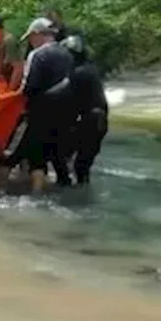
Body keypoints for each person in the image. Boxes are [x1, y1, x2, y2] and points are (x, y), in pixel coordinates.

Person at [16, 18, 77, 193]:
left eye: (30, 37)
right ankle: (68, 192)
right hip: (68, 113)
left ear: (37, 35)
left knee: (35, 157)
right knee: (59, 157)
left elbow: (30, 87)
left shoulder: (37, 55)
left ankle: (35, 197)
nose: (30, 42)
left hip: (42, 112)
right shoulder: (67, 54)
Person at [70, 56, 108, 185]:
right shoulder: (93, 71)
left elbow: (71, 101)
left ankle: (73, 195)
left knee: (75, 164)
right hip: (101, 121)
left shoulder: (77, 74)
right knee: (84, 165)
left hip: (89, 120)